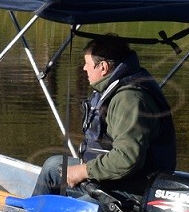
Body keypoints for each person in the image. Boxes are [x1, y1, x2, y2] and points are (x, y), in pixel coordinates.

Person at [32, 34, 176, 197]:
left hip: (131, 192)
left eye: (87, 64)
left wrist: (84, 171)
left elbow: (127, 159)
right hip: (111, 179)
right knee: (52, 167)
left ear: (103, 67)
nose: (84, 68)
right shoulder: (113, 88)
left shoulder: (129, 100)